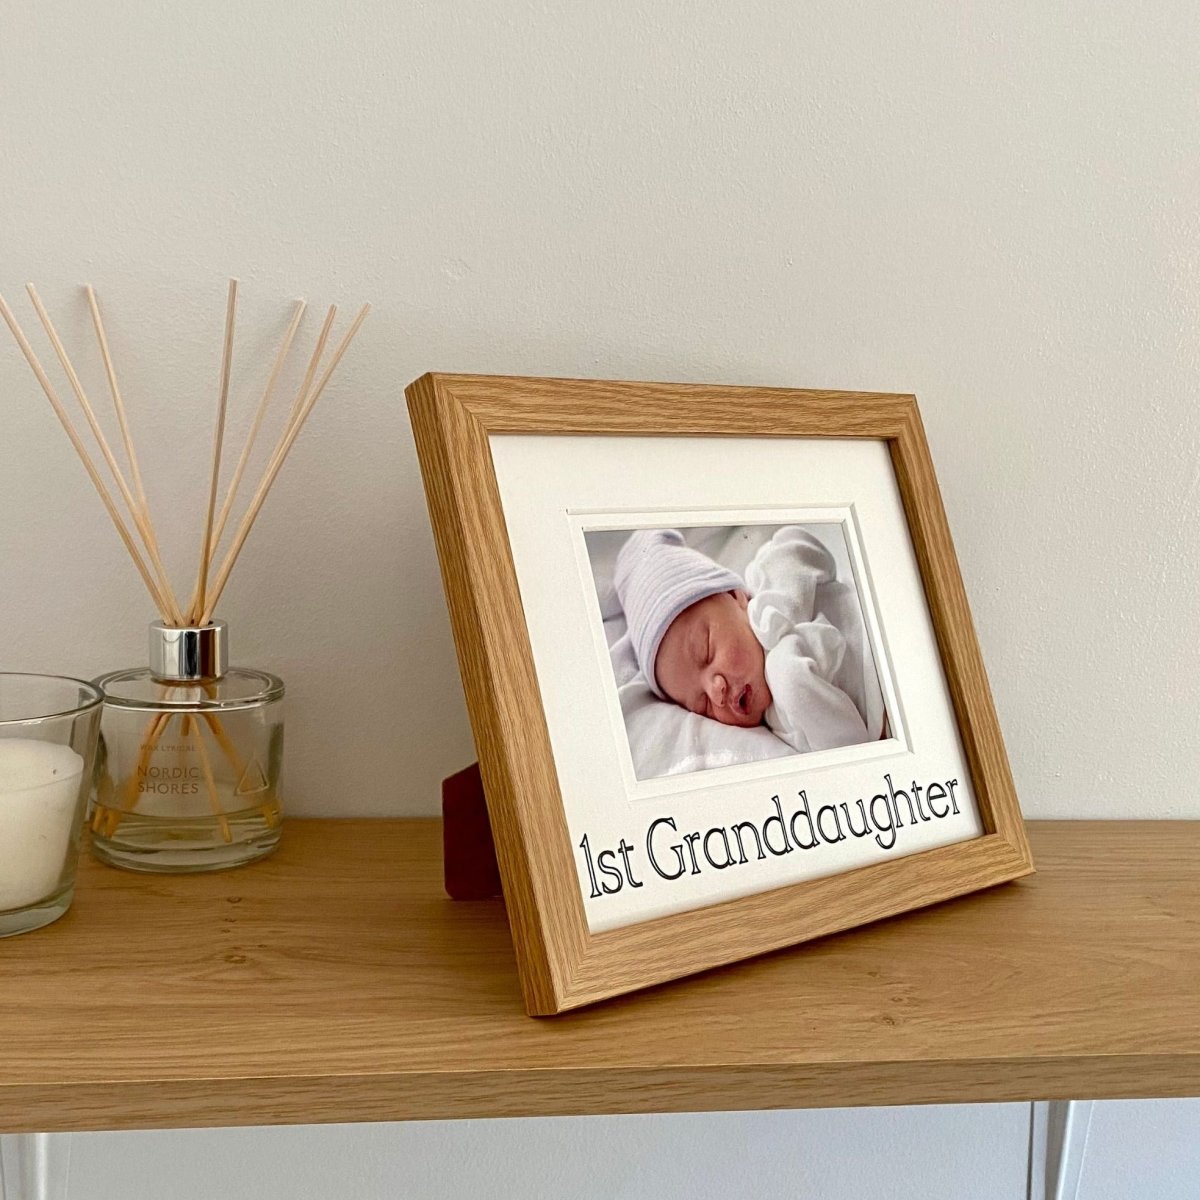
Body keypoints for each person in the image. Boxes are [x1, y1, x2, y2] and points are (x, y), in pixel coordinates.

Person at [613, 527, 884, 754]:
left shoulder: (768, 586)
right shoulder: (777, 722)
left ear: (735, 596)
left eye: (706, 651)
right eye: (702, 704)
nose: (715, 690)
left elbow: (801, 544)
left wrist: (781, 618)